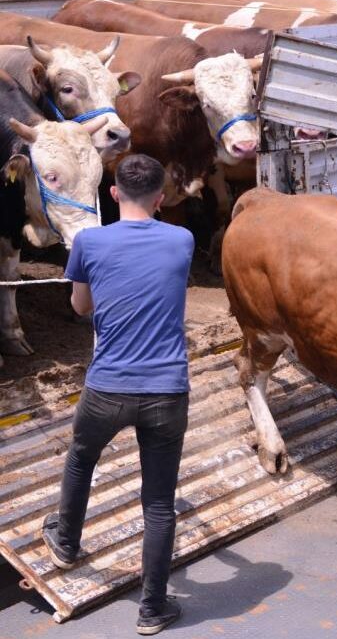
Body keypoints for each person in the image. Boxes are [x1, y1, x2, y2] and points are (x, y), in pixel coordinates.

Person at [41, 154, 194, 635]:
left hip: (107, 386)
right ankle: (152, 610)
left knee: (82, 457)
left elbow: (82, 307)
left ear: (112, 193)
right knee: (159, 504)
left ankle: (65, 542)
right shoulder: (182, 240)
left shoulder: (88, 241)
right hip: (167, 391)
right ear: (162, 198)